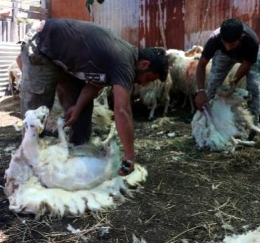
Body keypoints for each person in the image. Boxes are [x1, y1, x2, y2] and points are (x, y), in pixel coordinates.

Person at [18, 18, 169, 176]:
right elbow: (122, 110)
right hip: (42, 44)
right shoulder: (125, 63)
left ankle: (77, 157)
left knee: (83, 110)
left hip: (65, 58)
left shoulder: (122, 60)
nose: (144, 85)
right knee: (36, 112)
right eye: (149, 79)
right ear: (144, 65)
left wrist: (77, 108)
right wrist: (129, 155)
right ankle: (30, 167)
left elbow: (95, 83)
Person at [195, 18, 260, 139]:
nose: (228, 47)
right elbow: (201, 64)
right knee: (212, 87)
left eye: (231, 44)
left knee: (254, 89)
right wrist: (200, 92)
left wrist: (234, 82)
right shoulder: (214, 39)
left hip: (247, 55)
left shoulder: (251, 40)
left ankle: (252, 127)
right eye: (225, 42)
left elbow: (247, 63)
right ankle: (206, 125)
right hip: (223, 55)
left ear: (241, 37)